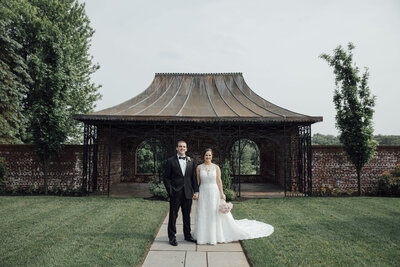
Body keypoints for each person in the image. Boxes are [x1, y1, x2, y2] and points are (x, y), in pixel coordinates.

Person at [194, 148, 274, 245]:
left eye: (209, 155)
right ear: (203, 156)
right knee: (203, 212)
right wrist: (196, 192)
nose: (208, 157)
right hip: (203, 191)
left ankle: (213, 236)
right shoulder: (199, 167)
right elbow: (197, 181)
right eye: (206, 155)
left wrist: (222, 193)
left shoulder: (216, 167)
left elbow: (219, 181)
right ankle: (203, 236)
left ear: (212, 156)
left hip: (214, 192)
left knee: (213, 213)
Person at [163, 140, 199, 246]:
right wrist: (170, 190)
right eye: (180, 146)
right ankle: (172, 237)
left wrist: (196, 191)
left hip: (188, 192)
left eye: (184, 146)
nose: (182, 148)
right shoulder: (170, 161)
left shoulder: (191, 161)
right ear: (177, 148)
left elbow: (193, 178)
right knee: (173, 215)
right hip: (175, 193)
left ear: (186, 149)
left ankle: (187, 235)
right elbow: (166, 178)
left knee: (187, 215)